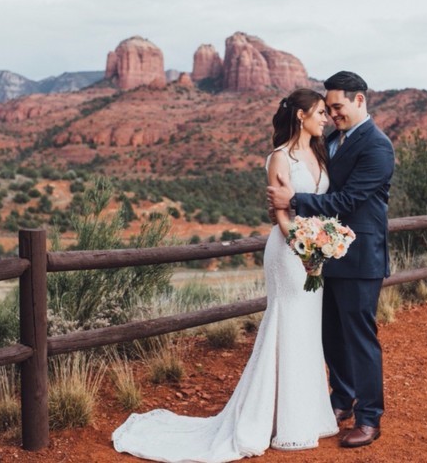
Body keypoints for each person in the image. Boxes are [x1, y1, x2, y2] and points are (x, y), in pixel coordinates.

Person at [112, 88, 339, 462]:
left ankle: (304, 417)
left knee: (307, 330)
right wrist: (300, 247)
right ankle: (274, 419)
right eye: (319, 112)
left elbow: (321, 205)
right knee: (287, 325)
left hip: (315, 252)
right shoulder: (279, 159)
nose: (325, 118)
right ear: (301, 115)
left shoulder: (319, 151)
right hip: (288, 252)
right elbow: (281, 215)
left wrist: (321, 247)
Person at [267, 71, 395, 449]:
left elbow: (345, 201)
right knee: (331, 336)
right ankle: (342, 401)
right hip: (324, 255)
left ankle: (370, 418)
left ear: (360, 100)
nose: (333, 115)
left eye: (338, 107)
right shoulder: (333, 140)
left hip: (361, 259)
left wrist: (292, 201)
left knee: (359, 339)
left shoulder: (377, 147)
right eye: (328, 108)